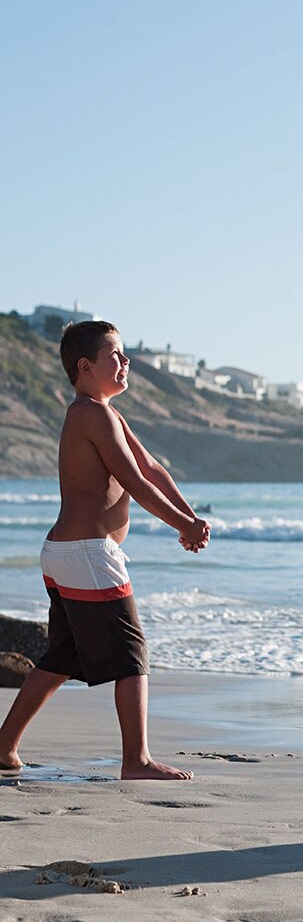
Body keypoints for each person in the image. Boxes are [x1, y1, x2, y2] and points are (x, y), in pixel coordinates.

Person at [0, 321, 211, 780]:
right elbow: (132, 480)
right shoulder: (88, 414)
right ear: (85, 367)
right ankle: (136, 760)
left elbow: (151, 468)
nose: (125, 362)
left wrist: (189, 516)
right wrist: (182, 526)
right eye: (115, 355)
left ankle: (2, 748)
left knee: (63, 655)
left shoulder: (105, 412)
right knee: (131, 652)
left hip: (68, 553)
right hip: (87, 553)